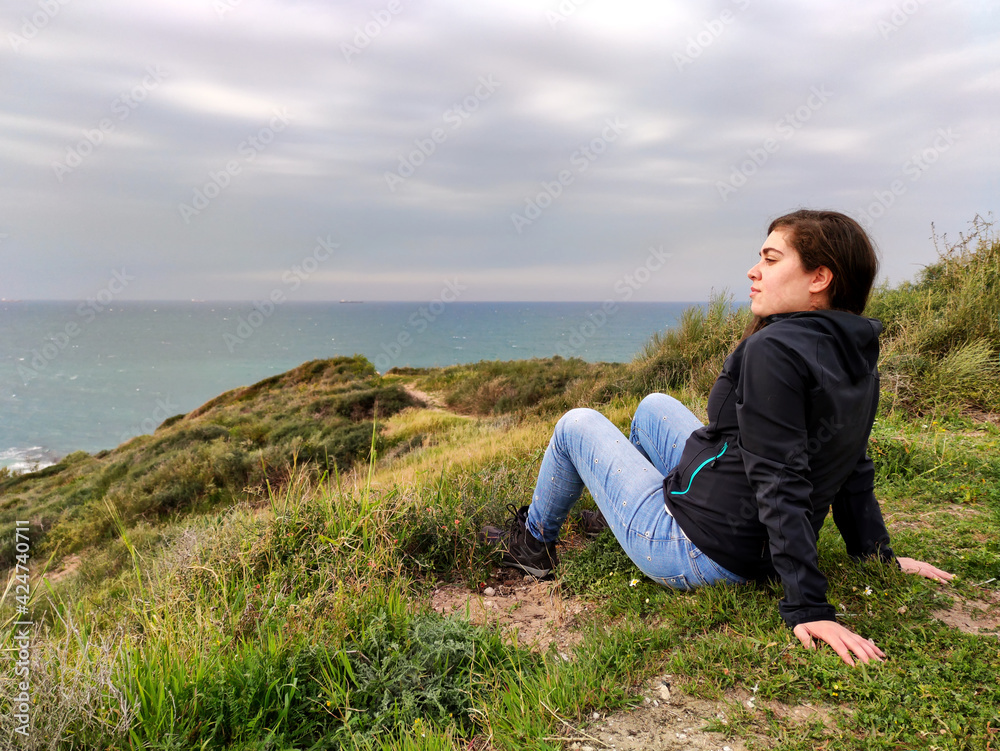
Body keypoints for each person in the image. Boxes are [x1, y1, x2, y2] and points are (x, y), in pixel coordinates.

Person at [482, 209, 952, 667]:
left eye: (770, 259)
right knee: (654, 407)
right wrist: (875, 555)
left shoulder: (773, 350)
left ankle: (532, 545)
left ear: (819, 278)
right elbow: (850, 460)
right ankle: (616, 514)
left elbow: (779, 476)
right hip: (740, 524)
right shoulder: (854, 348)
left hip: (698, 550)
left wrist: (809, 609)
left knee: (576, 424)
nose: (753, 271)